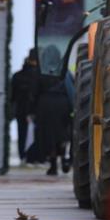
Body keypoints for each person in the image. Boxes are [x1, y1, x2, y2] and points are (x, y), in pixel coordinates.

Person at [31, 45, 72, 176]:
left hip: (45, 105)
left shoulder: (40, 71)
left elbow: (34, 92)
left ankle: (53, 164)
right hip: (63, 104)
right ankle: (64, 158)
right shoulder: (64, 70)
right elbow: (72, 88)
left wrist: (32, 110)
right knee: (62, 133)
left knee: (49, 135)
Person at [10, 49, 38, 163]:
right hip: (35, 109)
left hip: (20, 109)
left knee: (22, 133)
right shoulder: (38, 76)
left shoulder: (17, 76)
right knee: (35, 134)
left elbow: (12, 96)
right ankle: (33, 156)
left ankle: (22, 155)